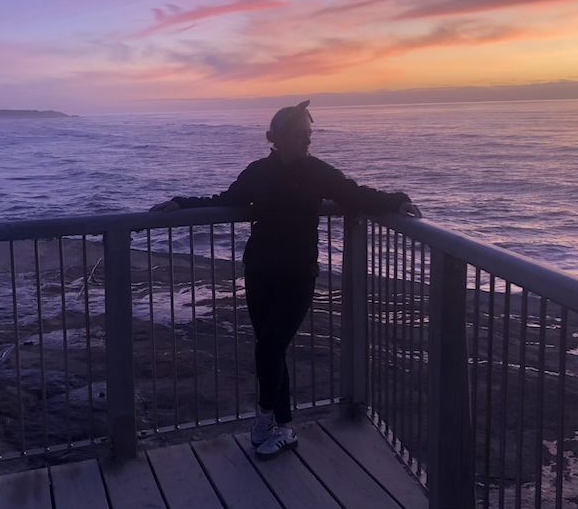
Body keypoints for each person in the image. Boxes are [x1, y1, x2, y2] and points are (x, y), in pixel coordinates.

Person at [151, 100, 421, 459]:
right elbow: (227, 200)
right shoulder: (258, 172)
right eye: (298, 134)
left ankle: (265, 420)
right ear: (276, 137)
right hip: (260, 270)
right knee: (270, 347)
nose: (306, 140)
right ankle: (283, 427)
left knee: (269, 346)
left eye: (308, 134)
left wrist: (397, 200)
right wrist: (183, 203)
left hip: (297, 274)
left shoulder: (318, 172)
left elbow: (355, 195)